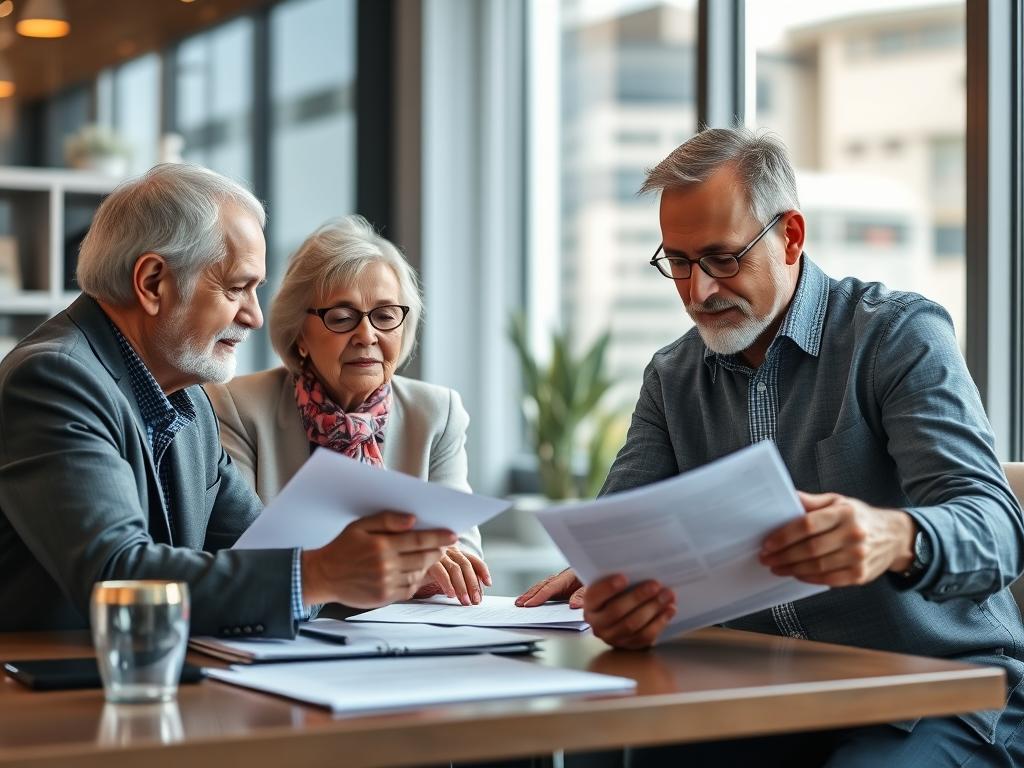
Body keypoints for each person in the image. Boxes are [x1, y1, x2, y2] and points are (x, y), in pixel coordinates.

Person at [517, 127, 1024, 766]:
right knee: (606, 748)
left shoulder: (897, 336)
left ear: (790, 236)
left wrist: (895, 536)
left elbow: (998, 529)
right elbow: (620, 540)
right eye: (677, 261)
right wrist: (616, 600)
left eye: (722, 258)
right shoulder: (672, 378)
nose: (697, 291)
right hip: (759, 690)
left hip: (927, 690)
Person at [0, 164, 456, 636]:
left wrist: (387, 570)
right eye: (238, 288)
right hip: (49, 695)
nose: (256, 316)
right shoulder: (54, 378)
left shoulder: (189, 403)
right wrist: (321, 573)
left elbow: (263, 551)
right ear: (153, 282)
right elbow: (118, 577)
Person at [205, 215, 490, 606]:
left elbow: (464, 561)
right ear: (299, 334)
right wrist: (396, 560)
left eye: (386, 315)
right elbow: (237, 554)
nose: (367, 335)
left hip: (404, 637)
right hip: (286, 633)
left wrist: (431, 567)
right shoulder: (236, 406)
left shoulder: (437, 413)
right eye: (341, 317)